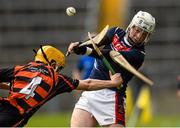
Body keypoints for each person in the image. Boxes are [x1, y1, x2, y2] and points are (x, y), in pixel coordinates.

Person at [66, 10, 156, 127]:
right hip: (92, 90)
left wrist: (84, 50)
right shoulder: (116, 32)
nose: (139, 36)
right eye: (138, 30)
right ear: (131, 26)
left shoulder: (138, 54)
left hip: (112, 98)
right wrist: (79, 45)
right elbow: (97, 42)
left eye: (144, 34)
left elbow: (110, 56)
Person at [0, 45, 123, 127]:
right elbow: (88, 83)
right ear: (52, 63)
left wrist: (7, 87)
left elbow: (26, 87)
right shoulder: (57, 78)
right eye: (58, 67)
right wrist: (112, 83)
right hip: (13, 117)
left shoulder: (21, 69)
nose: (58, 69)